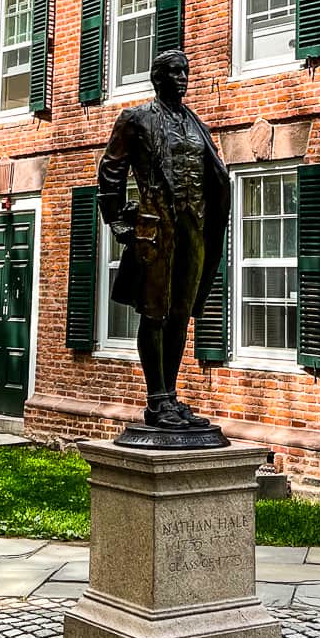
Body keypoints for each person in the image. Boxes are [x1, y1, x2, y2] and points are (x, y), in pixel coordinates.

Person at [97, 49, 230, 430]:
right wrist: (118, 221)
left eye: (186, 72)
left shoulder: (195, 123)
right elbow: (111, 169)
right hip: (156, 227)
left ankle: (170, 395)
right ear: (157, 78)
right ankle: (156, 400)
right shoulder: (136, 119)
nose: (182, 78)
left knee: (181, 313)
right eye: (174, 72)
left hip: (195, 225)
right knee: (154, 311)